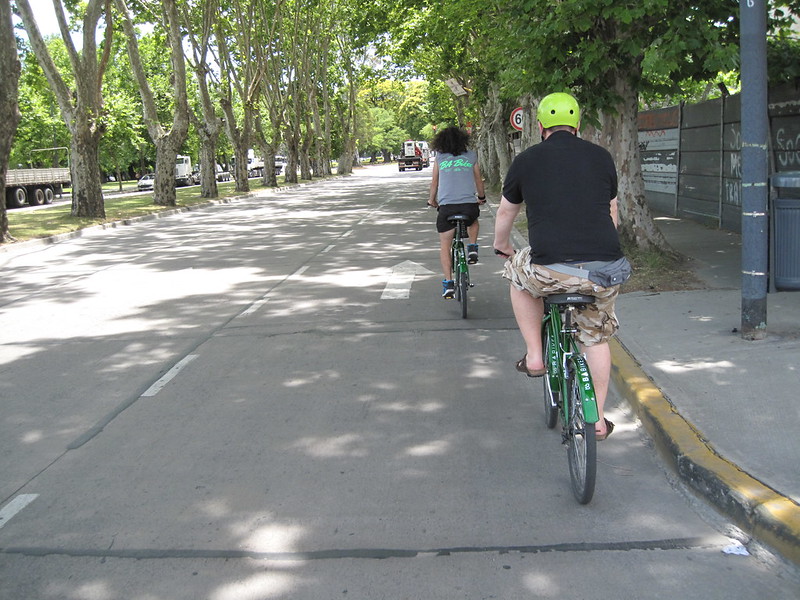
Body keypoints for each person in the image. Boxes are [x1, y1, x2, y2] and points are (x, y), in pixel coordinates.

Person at [492, 92, 626, 440]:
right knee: (594, 338)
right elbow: (612, 211)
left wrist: (502, 246)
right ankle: (597, 420)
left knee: (516, 276)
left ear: (540, 127)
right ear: (578, 125)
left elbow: (507, 211)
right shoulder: (601, 157)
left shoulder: (527, 160)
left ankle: (535, 355)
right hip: (603, 268)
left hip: (549, 267)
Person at [427, 126, 486, 299]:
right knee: (473, 220)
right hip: (468, 205)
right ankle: (473, 247)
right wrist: (481, 197)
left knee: (445, 246)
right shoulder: (471, 156)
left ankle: (448, 283)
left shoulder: (439, 158)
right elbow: (478, 180)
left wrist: (432, 200)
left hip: (447, 208)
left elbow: (434, 183)